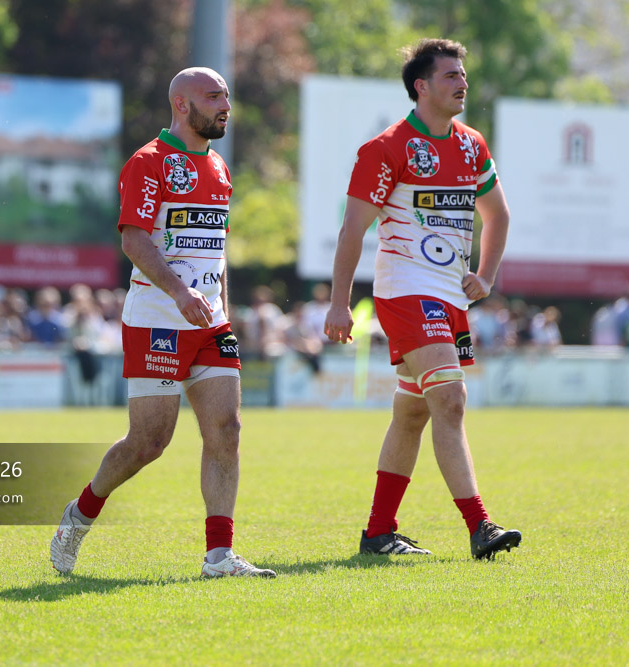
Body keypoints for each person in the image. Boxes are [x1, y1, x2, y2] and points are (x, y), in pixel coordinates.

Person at [50, 67, 275, 578]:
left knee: (227, 428)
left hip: (210, 322)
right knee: (148, 443)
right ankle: (78, 516)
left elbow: (213, 251)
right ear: (181, 104)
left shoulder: (218, 166)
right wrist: (179, 292)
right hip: (157, 320)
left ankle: (218, 556)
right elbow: (134, 239)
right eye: (213, 96)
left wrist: (220, 303)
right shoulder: (148, 162)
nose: (225, 105)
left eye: (227, 96)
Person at [324, 39, 522, 560]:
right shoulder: (385, 148)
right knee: (450, 401)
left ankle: (378, 533)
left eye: (464, 76)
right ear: (422, 86)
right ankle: (480, 527)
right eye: (451, 76)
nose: (462, 84)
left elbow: (497, 215)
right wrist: (339, 304)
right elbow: (352, 231)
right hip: (406, 291)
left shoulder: (471, 144)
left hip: (449, 296)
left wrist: (486, 274)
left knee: (413, 414)